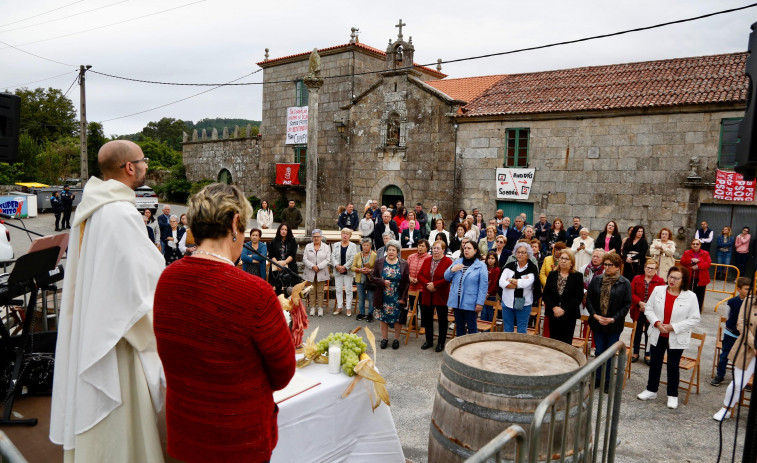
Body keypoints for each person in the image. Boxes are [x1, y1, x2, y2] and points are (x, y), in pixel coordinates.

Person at [154, 182, 295, 462]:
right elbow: (283, 372)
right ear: (234, 224)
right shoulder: (255, 293)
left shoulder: (166, 279)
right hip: (237, 439)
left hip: (186, 433)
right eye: (243, 227)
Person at [50, 140, 165, 462]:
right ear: (130, 167)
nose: (145, 166)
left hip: (100, 322)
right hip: (118, 338)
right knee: (123, 427)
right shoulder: (118, 214)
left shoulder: (95, 208)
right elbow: (138, 287)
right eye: (143, 161)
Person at [637, 266, 701, 409]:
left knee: (673, 366)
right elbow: (649, 308)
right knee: (655, 362)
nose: (672, 280)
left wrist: (674, 327)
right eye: (670, 276)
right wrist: (657, 323)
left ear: (683, 280)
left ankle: (672, 395)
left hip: (676, 336)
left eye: (676, 278)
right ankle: (651, 390)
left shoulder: (691, 296)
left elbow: (695, 319)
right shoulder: (659, 290)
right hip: (658, 332)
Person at [585, 252, 631, 390]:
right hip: (598, 322)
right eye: (605, 264)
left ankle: (607, 381)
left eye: (610, 265)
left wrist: (613, 318)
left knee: (610, 353)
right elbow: (589, 300)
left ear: (617, 267)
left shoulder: (624, 283)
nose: (607, 267)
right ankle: (598, 378)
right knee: (599, 351)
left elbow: (626, 305)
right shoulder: (597, 279)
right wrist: (595, 315)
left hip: (613, 324)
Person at [713, 287, 756, 420]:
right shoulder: (749, 301)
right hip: (748, 348)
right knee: (738, 382)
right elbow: (741, 323)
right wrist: (753, 344)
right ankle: (726, 408)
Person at [711, 277, 751, 387]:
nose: (750, 291)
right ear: (738, 289)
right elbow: (728, 316)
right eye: (747, 289)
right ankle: (720, 375)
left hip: (744, 335)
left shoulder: (753, 303)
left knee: (741, 358)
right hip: (730, 333)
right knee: (725, 355)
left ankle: (740, 379)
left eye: (751, 289)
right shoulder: (732, 301)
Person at [371, 240, 409, 350]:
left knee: (398, 319)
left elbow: (406, 282)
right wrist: (382, 282)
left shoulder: (403, 263)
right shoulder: (379, 262)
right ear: (386, 251)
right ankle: (384, 338)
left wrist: (403, 298)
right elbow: (373, 277)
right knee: (383, 317)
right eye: (389, 250)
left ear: (397, 252)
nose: (391, 252)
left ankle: (396, 339)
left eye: (394, 250)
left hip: (397, 296)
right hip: (382, 296)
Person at [445, 240, 488, 336]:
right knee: (459, 327)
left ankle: (473, 350)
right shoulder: (458, 262)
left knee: (472, 327)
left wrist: (480, 302)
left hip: (471, 302)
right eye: (465, 248)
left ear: (475, 250)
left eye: (469, 248)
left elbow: (483, 286)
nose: (466, 250)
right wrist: (452, 270)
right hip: (457, 301)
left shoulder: (481, 266)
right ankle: (460, 349)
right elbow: (446, 277)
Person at [543, 249, 584, 345]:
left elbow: (578, 296)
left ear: (572, 262)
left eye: (567, 259)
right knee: (553, 342)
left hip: (569, 315)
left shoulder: (577, 276)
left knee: (565, 344)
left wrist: (563, 310)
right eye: (561, 258)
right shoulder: (552, 274)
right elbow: (546, 294)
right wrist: (554, 308)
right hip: (553, 313)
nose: (563, 261)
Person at [418, 240, 453, 351]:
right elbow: (419, 275)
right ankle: (429, 340)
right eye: (434, 248)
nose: (435, 250)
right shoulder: (427, 260)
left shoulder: (448, 262)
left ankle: (441, 343)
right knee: (427, 318)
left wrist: (435, 285)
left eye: (438, 248)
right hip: (427, 293)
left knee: (442, 319)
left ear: (443, 250)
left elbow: (448, 278)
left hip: (441, 294)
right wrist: (428, 284)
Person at [500, 242, 541, 334]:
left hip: (524, 303)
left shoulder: (532, 268)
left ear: (528, 255)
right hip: (507, 302)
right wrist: (519, 282)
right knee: (507, 329)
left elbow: (527, 283)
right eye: (518, 252)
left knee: (522, 330)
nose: (520, 254)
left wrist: (511, 280)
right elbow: (501, 282)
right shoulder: (509, 265)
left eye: (523, 252)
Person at [630, 259, 666, 364]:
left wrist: (648, 307)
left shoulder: (660, 281)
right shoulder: (637, 278)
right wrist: (639, 303)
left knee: (649, 333)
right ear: (644, 268)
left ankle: (647, 354)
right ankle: (635, 352)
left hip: (652, 312)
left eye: (652, 268)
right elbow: (631, 293)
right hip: (638, 309)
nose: (650, 270)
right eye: (648, 267)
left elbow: (661, 297)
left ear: (656, 270)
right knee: (637, 331)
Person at [302, 229, 330, 317]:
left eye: (318, 236)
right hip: (310, 271)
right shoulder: (308, 246)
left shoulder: (326, 247)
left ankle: (320, 308)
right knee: (312, 290)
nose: (316, 238)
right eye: (314, 236)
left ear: (321, 237)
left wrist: (319, 266)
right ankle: (313, 307)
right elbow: (304, 259)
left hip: (321, 271)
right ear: (312, 237)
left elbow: (327, 259)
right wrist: (312, 266)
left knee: (320, 291)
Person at [332, 228, 358, 316]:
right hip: (338, 270)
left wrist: (345, 267)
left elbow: (353, 258)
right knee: (338, 289)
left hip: (348, 271)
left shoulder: (353, 246)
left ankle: (348, 308)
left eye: (347, 234)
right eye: (343, 233)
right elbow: (333, 257)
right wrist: (337, 266)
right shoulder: (336, 245)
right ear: (341, 234)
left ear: (350, 236)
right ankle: (339, 307)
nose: (345, 235)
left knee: (348, 290)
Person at [679, 239, 711, 312]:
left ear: (700, 245)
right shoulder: (687, 252)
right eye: (693, 244)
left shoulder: (705, 253)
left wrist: (698, 266)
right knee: (686, 293)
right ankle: (685, 310)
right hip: (689, 277)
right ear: (691, 245)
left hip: (701, 279)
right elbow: (682, 261)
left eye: (697, 244)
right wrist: (691, 260)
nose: (695, 245)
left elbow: (708, 263)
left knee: (699, 295)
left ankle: (697, 311)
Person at [268, 223, 298, 295]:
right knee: (277, 288)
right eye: (282, 229)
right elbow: (271, 255)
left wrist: (284, 263)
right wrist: (277, 264)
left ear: (288, 231)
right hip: (276, 267)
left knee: (289, 288)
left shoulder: (292, 241)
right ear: (279, 230)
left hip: (289, 266)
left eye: (285, 230)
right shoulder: (274, 241)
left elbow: (292, 254)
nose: (283, 231)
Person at [352, 238, 377, 322]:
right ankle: (361, 313)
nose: (365, 247)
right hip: (360, 279)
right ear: (361, 246)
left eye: (367, 245)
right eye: (364, 245)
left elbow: (377, 268)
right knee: (361, 297)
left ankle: (370, 314)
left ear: (370, 246)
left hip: (370, 280)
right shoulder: (357, 255)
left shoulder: (374, 255)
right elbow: (352, 267)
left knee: (371, 297)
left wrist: (369, 270)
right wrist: (360, 270)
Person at [407, 239, 430, 315]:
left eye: (423, 246)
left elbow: (429, 273)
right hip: (411, 286)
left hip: (422, 287)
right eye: (419, 245)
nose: (420, 247)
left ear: (426, 248)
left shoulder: (429, 258)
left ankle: (423, 325)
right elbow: (406, 270)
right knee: (413, 306)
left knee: (423, 307)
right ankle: (413, 324)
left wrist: (418, 279)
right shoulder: (411, 257)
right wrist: (409, 278)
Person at [481, 251, 501, 322]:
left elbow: (495, 283)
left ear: (495, 260)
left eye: (492, 258)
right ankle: (483, 331)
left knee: (489, 312)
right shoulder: (484, 267)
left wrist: (488, 293)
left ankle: (489, 331)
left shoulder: (497, 269)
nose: (490, 260)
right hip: (482, 293)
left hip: (491, 294)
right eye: (489, 258)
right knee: (483, 312)